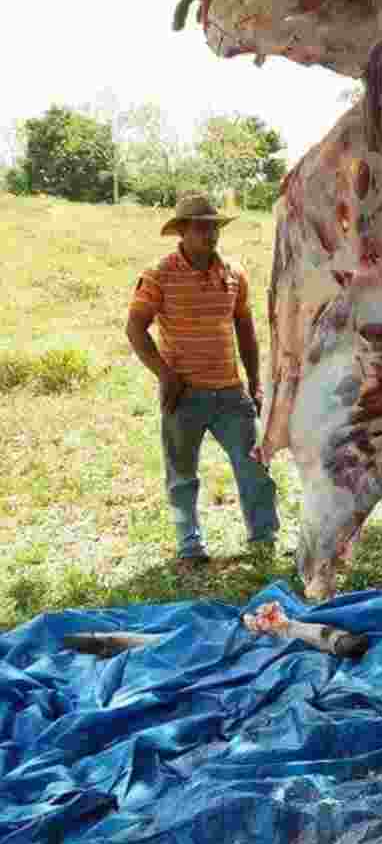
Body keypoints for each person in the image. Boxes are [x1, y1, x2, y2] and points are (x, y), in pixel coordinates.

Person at [125, 191, 279, 567]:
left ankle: (263, 539)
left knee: (255, 467)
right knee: (182, 476)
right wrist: (165, 376)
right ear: (182, 231)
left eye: (213, 228)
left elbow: (246, 330)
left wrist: (255, 382)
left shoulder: (234, 273)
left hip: (230, 393)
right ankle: (190, 547)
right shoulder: (159, 274)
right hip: (184, 394)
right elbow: (135, 329)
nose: (210, 235)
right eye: (200, 228)